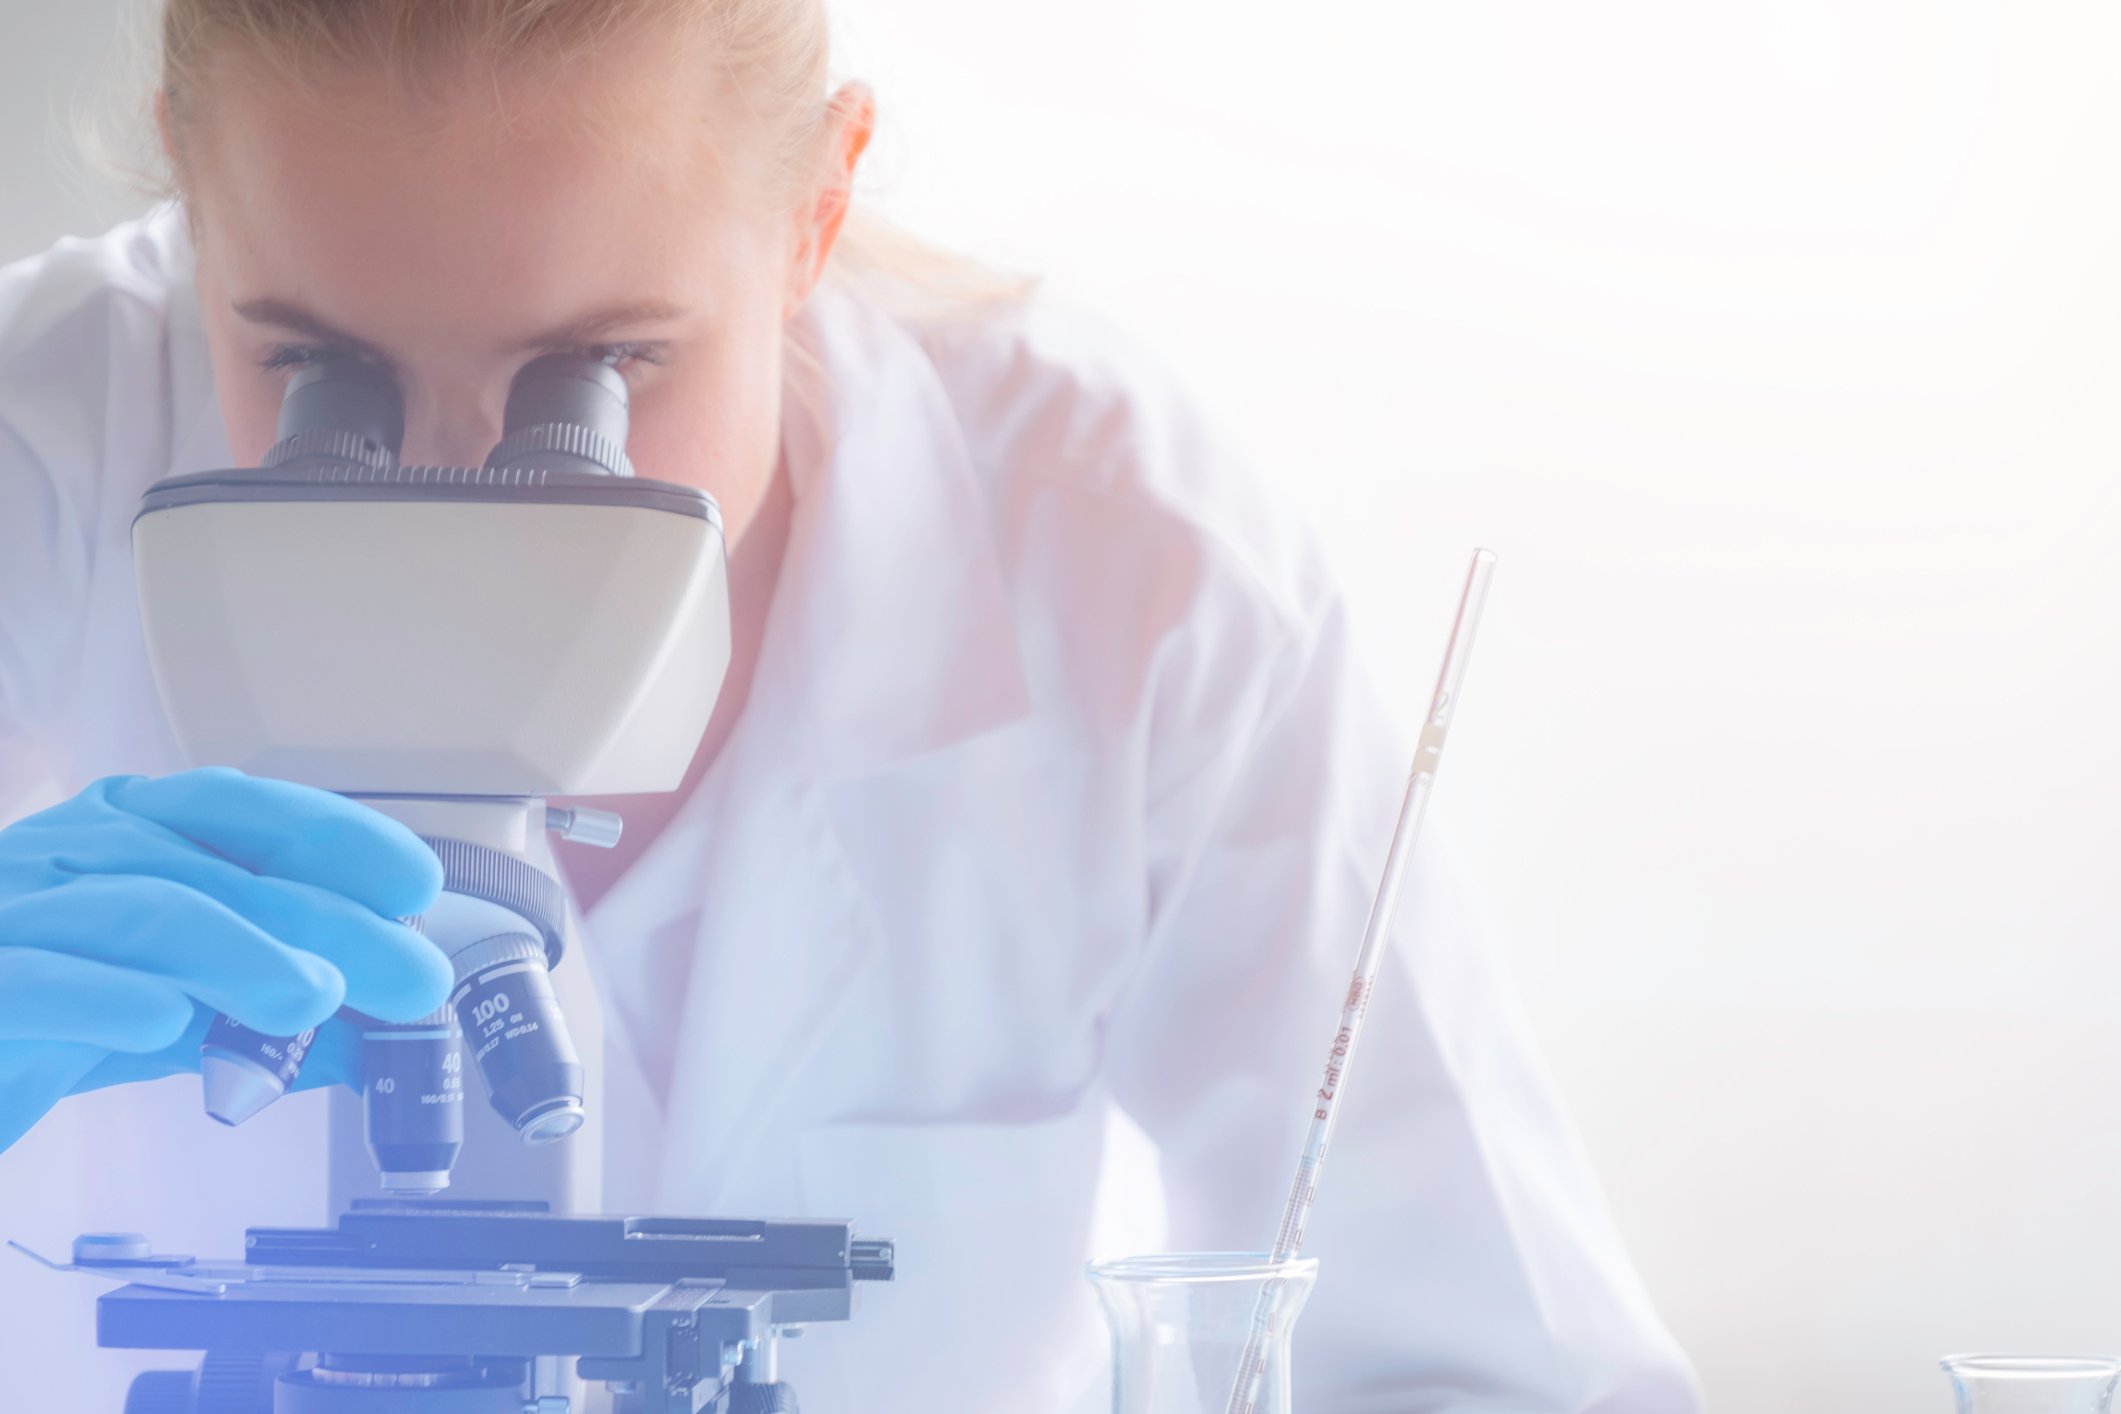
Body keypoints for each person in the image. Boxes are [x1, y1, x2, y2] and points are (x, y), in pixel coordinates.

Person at [0, 2, 1699, 1410]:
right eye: (316, 374)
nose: (465, 501)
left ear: (815, 209)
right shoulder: (38, 441)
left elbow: (1496, 1361)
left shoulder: (1123, 553)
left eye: (600, 374)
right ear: (193, 206)